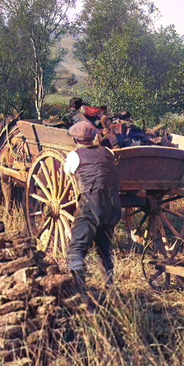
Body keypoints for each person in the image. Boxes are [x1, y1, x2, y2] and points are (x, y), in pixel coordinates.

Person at [64, 120, 122, 291]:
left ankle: (79, 289)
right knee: (104, 247)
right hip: (113, 205)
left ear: (76, 139)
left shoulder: (75, 156)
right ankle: (109, 287)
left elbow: (68, 171)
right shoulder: (107, 152)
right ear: (95, 137)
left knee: (77, 246)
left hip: (92, 203)